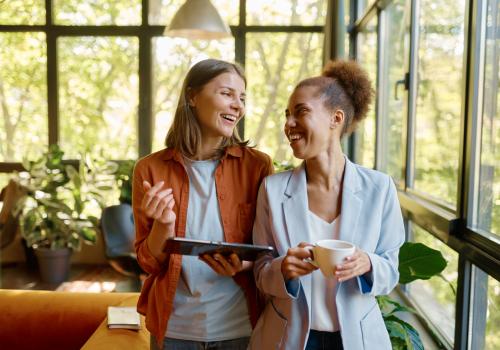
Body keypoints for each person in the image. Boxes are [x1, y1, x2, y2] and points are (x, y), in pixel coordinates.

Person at [248, 60, 405, 350]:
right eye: (287, 115)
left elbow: (391, 271)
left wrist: (368, 263)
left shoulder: (379, 188)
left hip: (356, 340)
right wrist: (283, 269)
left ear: (336, 118)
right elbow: (260, 271)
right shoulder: (272, 189)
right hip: (289, 338)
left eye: (301, 112)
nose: (288, 124)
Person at [132, 58, 273, 350]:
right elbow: (147, 262)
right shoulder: (149, 170)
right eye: (227, 93)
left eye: (242, 97)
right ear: (192, 97)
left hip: (240, 326)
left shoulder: (257, 167)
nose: (238, 105)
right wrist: (163, 226)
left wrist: (243, 264)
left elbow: (271, 248)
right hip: (174, 330)